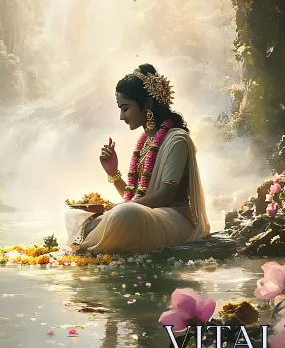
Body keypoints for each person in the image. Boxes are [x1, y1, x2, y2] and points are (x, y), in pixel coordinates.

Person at [64, 64, 211, 254]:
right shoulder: (145, 142)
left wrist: (116, 210)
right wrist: (113, 173)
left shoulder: (177, 139)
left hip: (174, 220)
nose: (121, 116)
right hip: (144, 214)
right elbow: (136, 195)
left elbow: (165, 195)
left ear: (148, 104)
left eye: (125, 108)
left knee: (125, 213)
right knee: (74, 214)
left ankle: (94, 244)